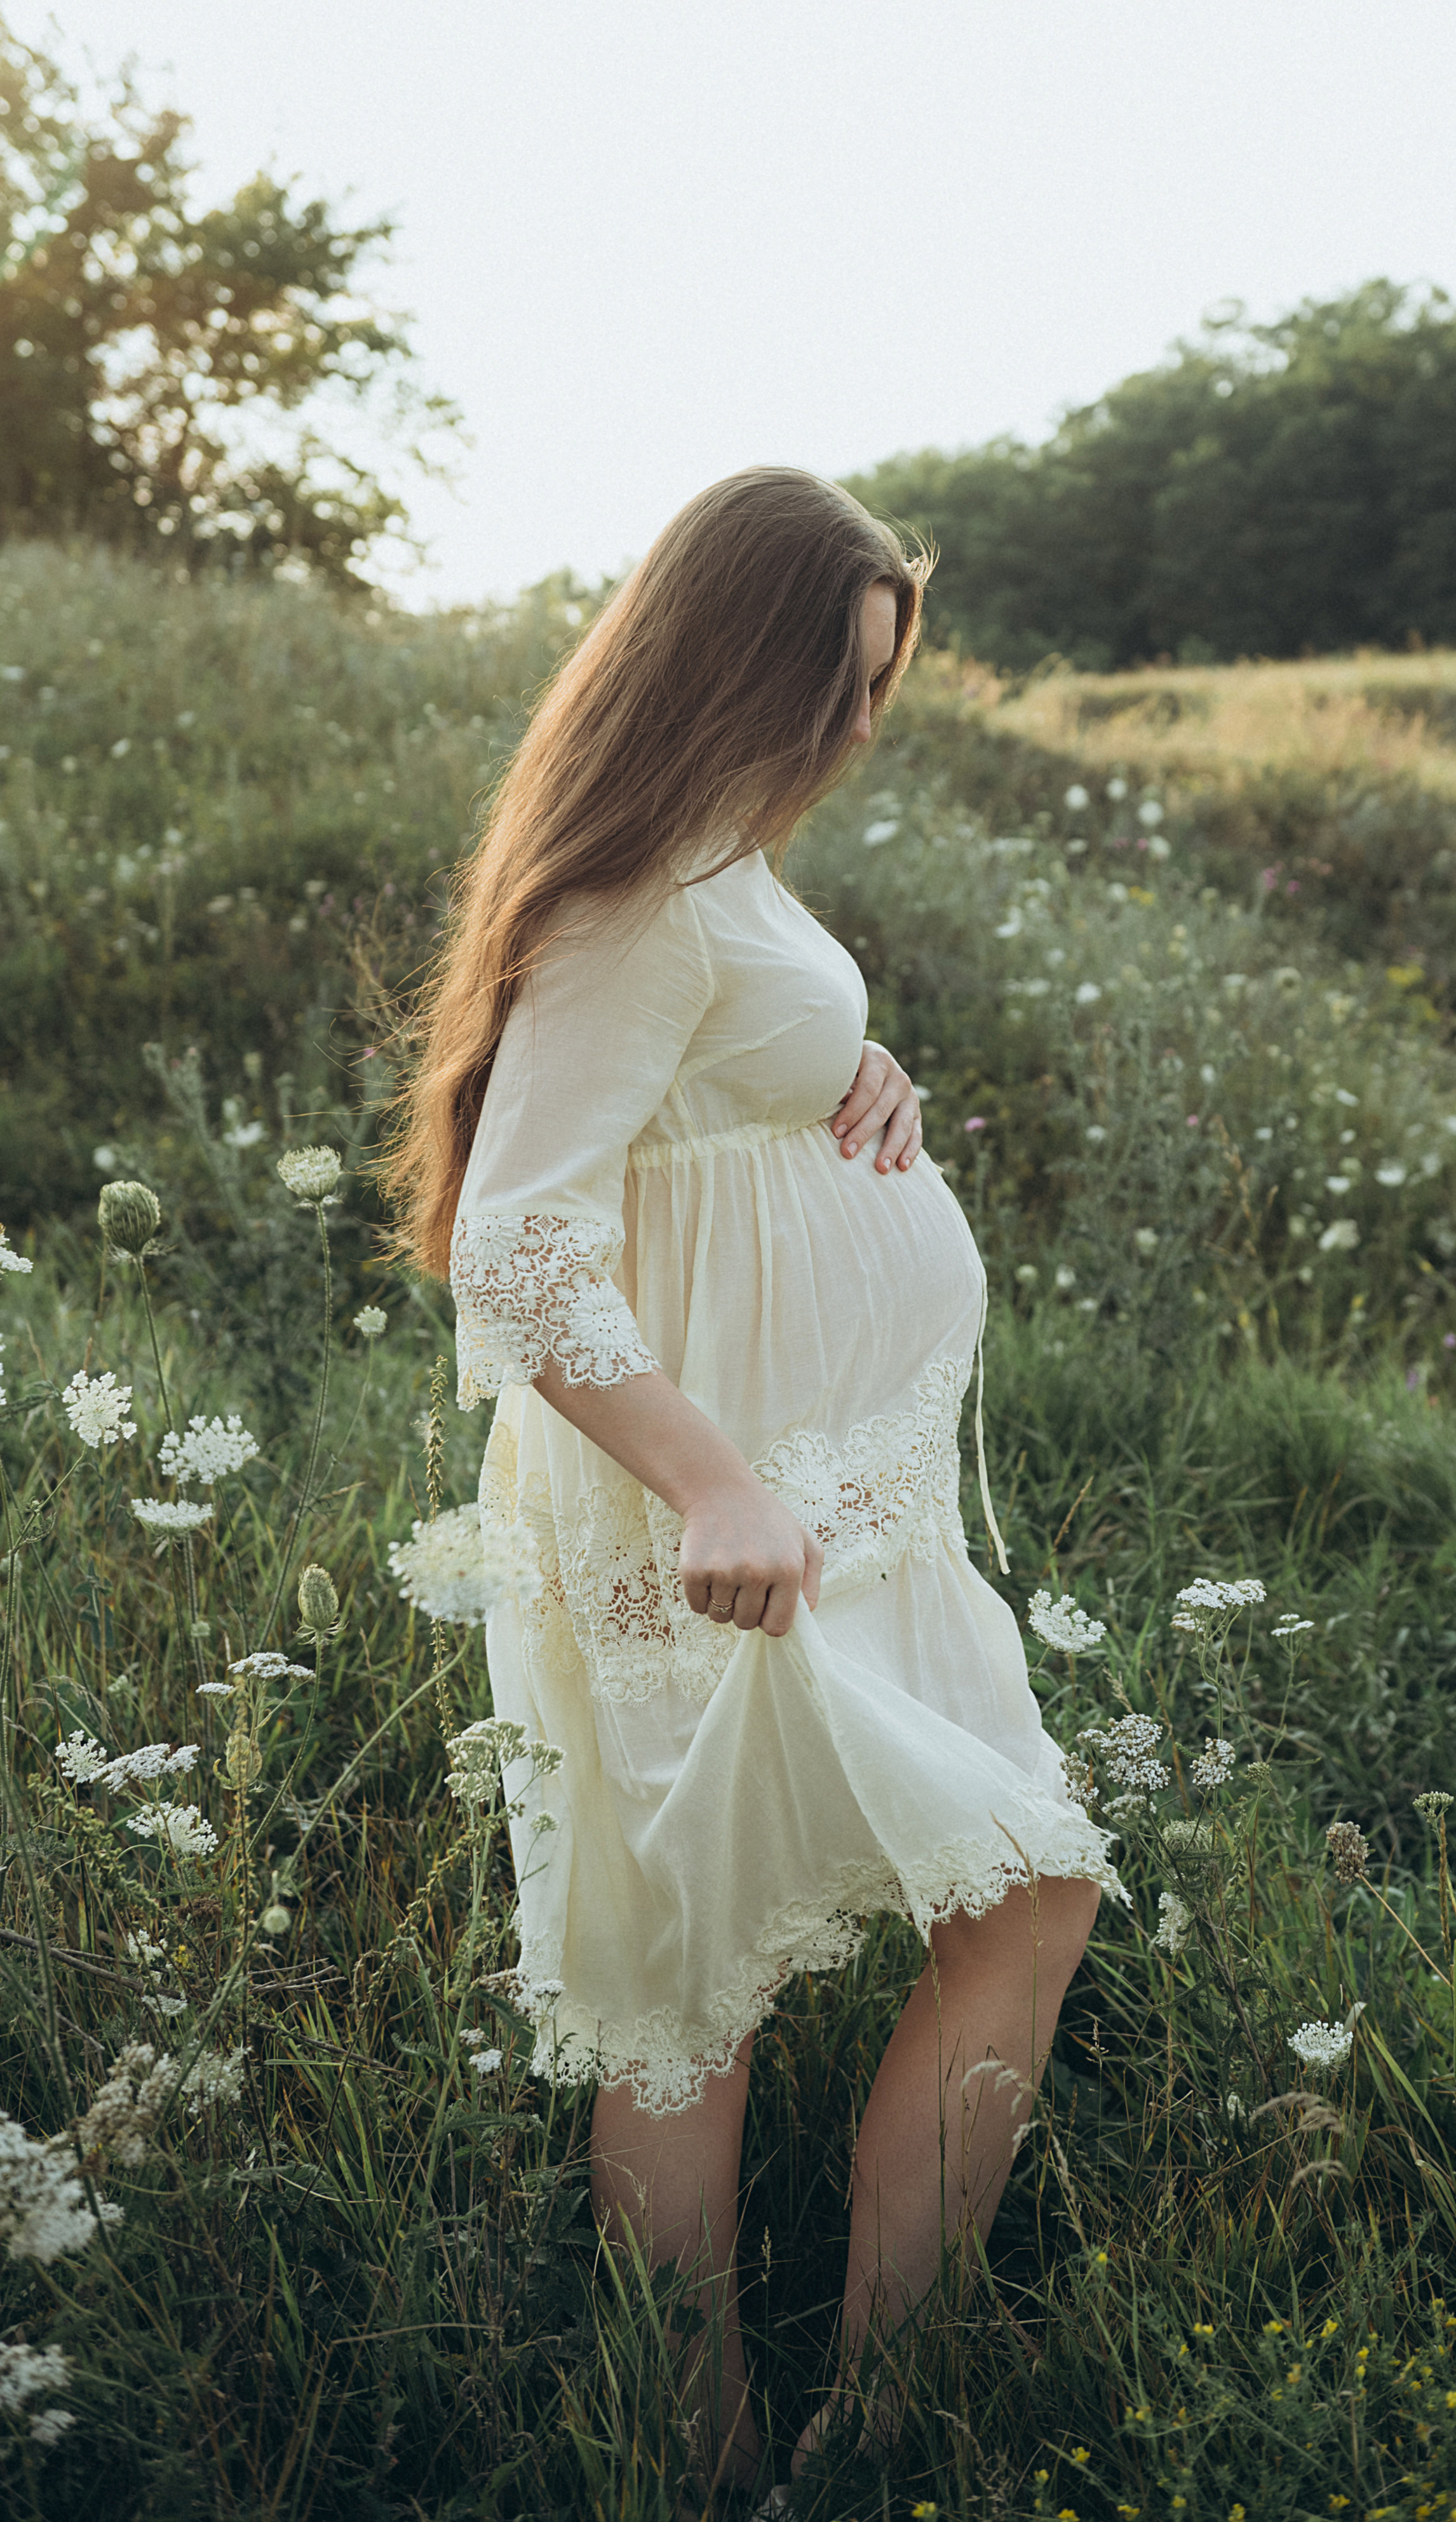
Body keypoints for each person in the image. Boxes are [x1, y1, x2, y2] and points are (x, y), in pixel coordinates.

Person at [385, 468, 1124, 2502]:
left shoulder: (717, 861)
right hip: (733, 1514)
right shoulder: (640, 886)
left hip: (840, 1503)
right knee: (690, 1983)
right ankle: (722, 2449)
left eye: (880, 684)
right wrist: (713, 1482)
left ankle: (851, 2423)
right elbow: (518, 1242)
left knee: (946, 1916)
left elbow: (706, 1099)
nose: (859, 726)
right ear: (738, 661)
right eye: (840, 682)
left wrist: (842, 1080)